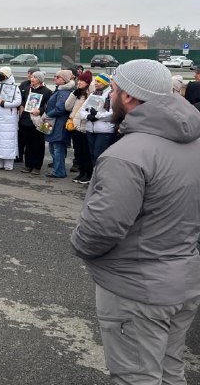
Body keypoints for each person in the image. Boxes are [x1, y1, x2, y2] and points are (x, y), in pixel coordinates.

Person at [71, 59, 200, 384]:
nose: (110, 97)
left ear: (128, 96)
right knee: (171, 371)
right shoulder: (194, 143)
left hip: (137, 290)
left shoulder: (127, 154)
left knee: (136, 376)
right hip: (184, 281)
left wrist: (78, 244)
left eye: (113, 90)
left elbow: (102, 227)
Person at [0, 67, 22, 170]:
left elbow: (18, 101)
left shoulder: (14, 87)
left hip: (8, 118)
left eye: (2, 74)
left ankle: (8, 164)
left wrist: (4, 103)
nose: (0, 76)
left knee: (7, 140)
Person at [43, 70, 75, 179]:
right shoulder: (60, 90)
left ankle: (59, 171)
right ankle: (58, 169)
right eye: (55, 76)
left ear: (64, 80)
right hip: (54, 122)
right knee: (54, 147)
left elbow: (60, 109)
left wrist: (47, 115)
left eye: (57, 77)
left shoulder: (64, 92)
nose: (55, 78)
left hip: (58, 123)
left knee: (57, 148)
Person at [79, 73, 116, 167]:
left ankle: (101, 178)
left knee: (99, 155)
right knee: (92, 155)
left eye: (98, 81)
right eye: (95, 81)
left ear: (105, 83)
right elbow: (82, 109)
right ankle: (95, 177)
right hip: (90, 129)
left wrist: (97, 115)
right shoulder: (93, 94)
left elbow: (113, 113)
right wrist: (87, 116)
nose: (95, 83)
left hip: (104, 130)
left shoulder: (111, 95)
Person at [19, 71, 52, 176]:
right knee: (28, 144)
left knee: (38, 144)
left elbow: (48, 107)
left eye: (35, 78)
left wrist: (40, 110)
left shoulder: (47, 91)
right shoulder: (28, 89)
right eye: (32, 77)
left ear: (40, 80)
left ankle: (37, 166)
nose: (32, 79)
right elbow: (23, 102)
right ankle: (28, 165)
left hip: (39, 121)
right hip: (26, 120)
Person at [65, 71, 93, 185]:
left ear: (87, 82)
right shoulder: (78, 93)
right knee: (78, 152)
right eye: (79, 80)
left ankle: (88, 173)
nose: (79, 82)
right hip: (75, 127)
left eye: (82, 81)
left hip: (84, 127)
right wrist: (73, 94)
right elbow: (67, 107)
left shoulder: (91, 94)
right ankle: (81, 172)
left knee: (86, 151)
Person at [17, 68, 35, 163]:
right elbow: (19, 96)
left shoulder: (43, 89)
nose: (29, 75)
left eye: (31, 74)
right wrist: (21, 106)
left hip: (33, 116)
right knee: (21, 137)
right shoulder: (24, 84)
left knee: (30, 140)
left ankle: (30, 159)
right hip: (23, 115)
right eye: (28, 73)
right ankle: (19, 156)